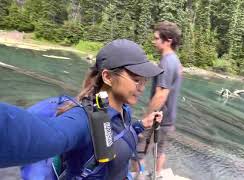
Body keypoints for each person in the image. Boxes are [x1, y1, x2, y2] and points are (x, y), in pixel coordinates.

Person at [0, 39, 164, 179]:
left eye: (145, 80)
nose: (142, 87)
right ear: (107, 77)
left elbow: (119, 136)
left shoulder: (124, 109)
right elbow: (47, 136)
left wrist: (141, 125)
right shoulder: (83, 120)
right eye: (136, 79)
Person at [132, 21, 183, 176]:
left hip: (157, 117)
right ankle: (157, 175)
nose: (153, 42)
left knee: (137, 152)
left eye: (156, 38)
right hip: (169, 117)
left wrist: (146, 117)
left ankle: (140, 178)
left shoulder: (167, 62)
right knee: (160, 149)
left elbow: (161, 94)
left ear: (168, 40)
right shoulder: (175, 61)